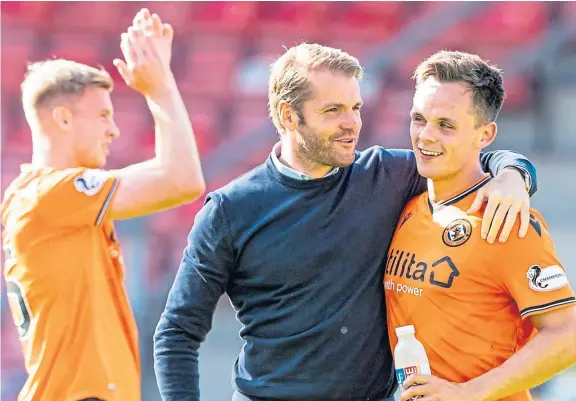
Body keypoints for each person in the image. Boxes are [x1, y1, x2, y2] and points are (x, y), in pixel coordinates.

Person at [153, 43, 537, 401]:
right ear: (289, 116)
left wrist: (514, 174)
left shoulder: (386, 173)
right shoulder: (229, 209)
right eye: (333, 111)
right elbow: (176, 334)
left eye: (356, 107)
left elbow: (471, 156)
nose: (352, 123)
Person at [1, 9, 205, 401]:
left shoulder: (40, 199)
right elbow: (181, 179)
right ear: (62, 118)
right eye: (102, 115)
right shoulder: (53, 194)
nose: (114, 129)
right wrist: (159, 88)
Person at [384, 50, 576, 401]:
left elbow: (568, 333)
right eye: (418, 118)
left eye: (445, 125)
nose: (425, 136)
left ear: (485, 135)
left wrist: (468, 393)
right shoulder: (406, 206)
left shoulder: (506, 220)